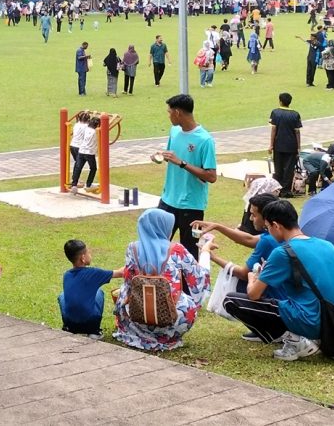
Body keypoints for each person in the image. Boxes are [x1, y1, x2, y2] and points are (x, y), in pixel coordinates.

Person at [219, 200, 334, 361]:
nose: (267, 231)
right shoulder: (327, 245)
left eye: (267, 227)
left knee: (231, 301)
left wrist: (251, 278)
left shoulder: (282, 252)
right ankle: (306, 337)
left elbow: (254, 294)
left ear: (276, 225)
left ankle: (295, 340)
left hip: (310, 321)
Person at [113, 209, 210, 351]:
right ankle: (166, 337)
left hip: (135, 318)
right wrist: (205, 251)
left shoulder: (132, 248)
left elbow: (128, 282)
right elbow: (199, 277)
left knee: (123, 291)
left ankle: (138, 333)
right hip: (174, 319)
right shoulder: (177, 249)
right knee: (187, 304)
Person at [155, 94, 217, 257]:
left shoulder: (205, 140)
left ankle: (188, 284)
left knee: (189, 254)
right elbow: (172, 158)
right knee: (155, 246)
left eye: (169, 112)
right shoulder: (174, 131)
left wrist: (181, 163)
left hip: (191, 206)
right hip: (167, 200)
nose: (168, 116)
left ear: (177, 113)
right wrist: (161, 156)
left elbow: (211, 176)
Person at [59, 239, 122, 339]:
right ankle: (94, 331)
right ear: (83, 258)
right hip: (90, 322)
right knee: (99, 293)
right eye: (88, 252)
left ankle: (68, 327)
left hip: (70, 323)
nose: (90, 254)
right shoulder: (93, 273)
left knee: (62, 296)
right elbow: (120, 273)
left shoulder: (66, 275)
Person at [269, 93, 302, 196]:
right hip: (291, 145)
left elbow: (274, 129)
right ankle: (286, 191)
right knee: (289, 169)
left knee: (278, 168)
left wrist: (271, 144)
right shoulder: (295, 114)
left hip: (278, 145)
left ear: (280, 101)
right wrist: (299, 147)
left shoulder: (275, 113)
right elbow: (297, 132)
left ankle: (277, 189)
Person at [69, 116, 99, 194]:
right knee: (93, 168)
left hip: (81, 151)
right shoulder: (96, 132)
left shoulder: (85, 129)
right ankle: (88, 184)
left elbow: (86, 122)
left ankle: (74, 185)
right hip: (89, 153)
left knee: (78, 168)